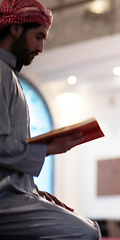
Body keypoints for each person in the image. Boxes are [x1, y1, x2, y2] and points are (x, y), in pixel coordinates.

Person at [0, 0, 101, 239]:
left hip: (14, 195)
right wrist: (47, 148)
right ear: (15, 29)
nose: (41, 47)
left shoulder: (9, 75)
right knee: (85, 233)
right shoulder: (1, 74)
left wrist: (35, 192)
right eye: (38, 36)